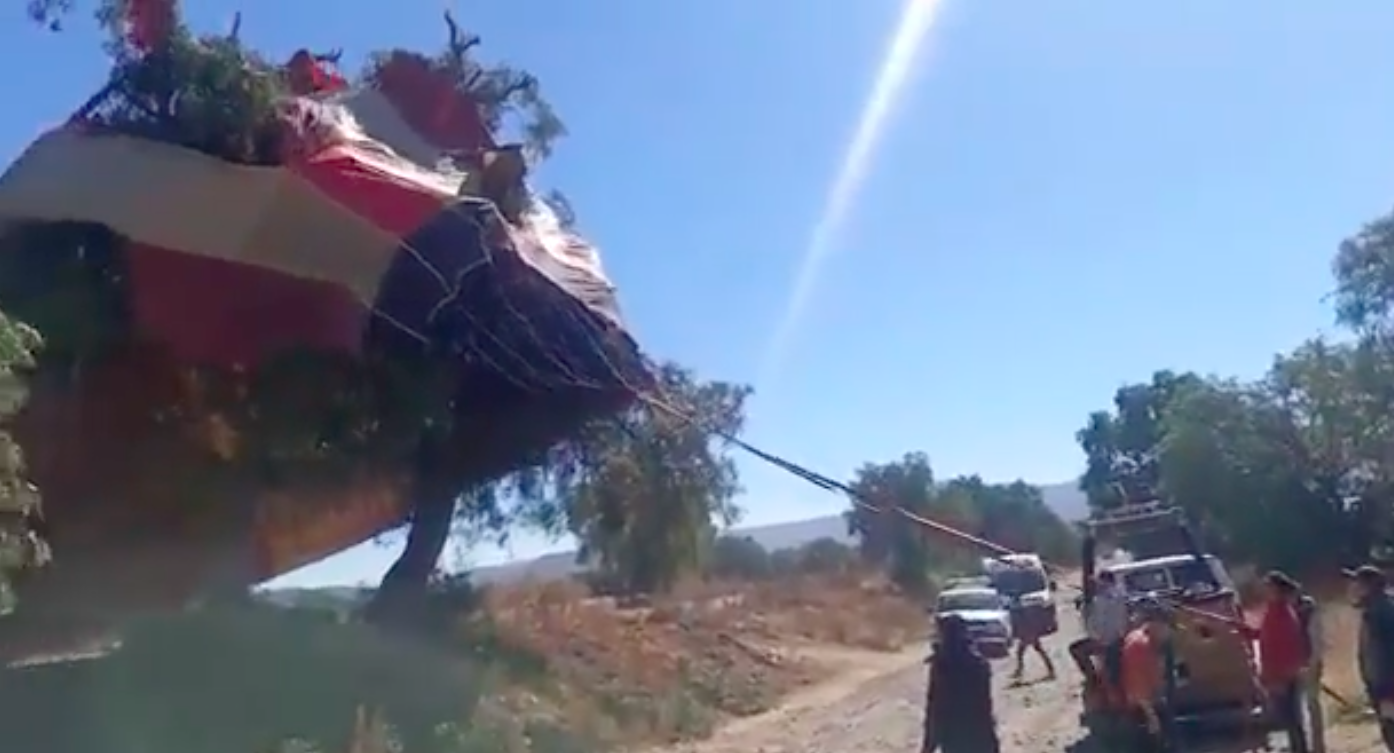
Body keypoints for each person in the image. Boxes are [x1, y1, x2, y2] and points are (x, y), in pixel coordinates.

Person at [922, 614, 1001, 753]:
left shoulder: (942, 665)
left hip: (953, 738)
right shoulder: (979, 663)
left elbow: (936, 708)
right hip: (979, 737)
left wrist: (929, 745)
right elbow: (985, 706)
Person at [1346, 564, 1394, 752]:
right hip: (1381, 684)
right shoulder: (1376, 611)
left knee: (1391, 730)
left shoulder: (1381, 612)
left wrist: (1386, 689)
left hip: (1387, 685)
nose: (1354, 588)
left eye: (1358, 583)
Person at [1120, 598, 1176, 753]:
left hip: (1150, 705)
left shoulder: (1145, 640)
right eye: (1168, 628)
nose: (1169, 634)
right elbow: (1138, 688)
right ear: (1158, 624)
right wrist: (1152, 717)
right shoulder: (1140, 646)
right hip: (1145, 710)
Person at [1069, 570, 1130, 691]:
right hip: (1116, 637)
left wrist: (1085, 605)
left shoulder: (1103, 599)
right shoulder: (1120, 594)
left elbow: (1097, 625)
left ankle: (1093, 681)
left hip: (1108, 640)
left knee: (1075, 650)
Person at [1010, 597, 1057, 682]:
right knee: (1038, 652)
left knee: (1022, 652)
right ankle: (1051, 671)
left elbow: (1023, 625)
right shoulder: (1026, 610)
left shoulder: (1024, 612)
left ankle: (1020, 671)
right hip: (1031, 634)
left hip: (1028, 635)